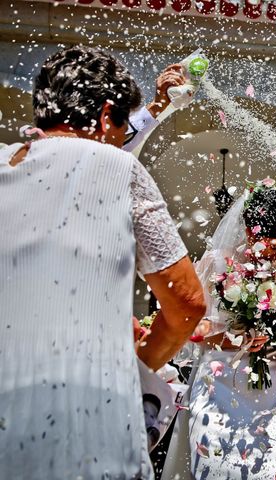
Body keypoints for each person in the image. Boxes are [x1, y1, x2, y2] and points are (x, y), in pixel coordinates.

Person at [0, 45, 206, 479]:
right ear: (105, 114)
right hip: (89, 425)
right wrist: (135, 365)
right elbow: (187, 302)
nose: (121, 139)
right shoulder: (116, 167)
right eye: (121, 124)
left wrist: (157, 106)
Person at [162, 183, 276, 480]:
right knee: (220, 466)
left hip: (275, 386)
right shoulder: (215, 263)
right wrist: (235, 339)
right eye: (273, 246)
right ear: (250, 232)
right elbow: (192, 329)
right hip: (222, 386)